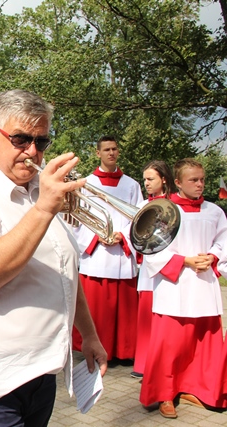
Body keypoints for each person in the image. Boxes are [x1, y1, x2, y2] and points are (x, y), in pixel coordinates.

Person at [0, 90, 107, 426]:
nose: (32, 152)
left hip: (42, 371)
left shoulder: (43, 190)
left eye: (41, 142)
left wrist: (89, 334)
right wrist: (44, 209)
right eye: (21, 139)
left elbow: (64, 270)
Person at [139, 158, 227, 419]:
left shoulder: (214, 211)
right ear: (177, 182)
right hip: (174, 285)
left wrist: (213, 256)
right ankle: (164, 394)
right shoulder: (162, 210)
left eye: (202, 179)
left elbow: (223, 240)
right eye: (193, 180)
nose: (200, 184)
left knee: (203, 342)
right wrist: (185, 261)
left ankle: (198, 389)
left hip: (204, 283)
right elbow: (149, 248)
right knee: (169, 344)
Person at [72, 135, 143, 362]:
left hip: (122, 251)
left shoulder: (132, 185)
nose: (111, 153)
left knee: (124, 308)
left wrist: (123, 236)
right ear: (98, 153)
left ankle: (124, 351)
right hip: (97, 254)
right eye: (106, 150)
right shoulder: (85, 183)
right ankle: (95, 347)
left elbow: (140, 218)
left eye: (114, 149)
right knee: (98, 306)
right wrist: (97, 236)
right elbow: (77, 219)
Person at [129, 160, 175, 379]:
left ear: (163, 179)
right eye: (144, 179)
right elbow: (133, 237)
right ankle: (144, 363)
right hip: (149, 268)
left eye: (150, 179)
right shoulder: (141, 205)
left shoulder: (175, 206)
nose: (146, 183)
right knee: (147, 319)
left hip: (171, 268)